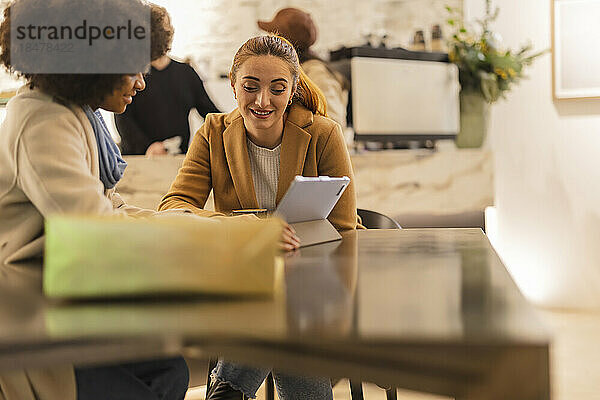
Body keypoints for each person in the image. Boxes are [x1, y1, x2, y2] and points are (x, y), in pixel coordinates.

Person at [0, 1, 189, 399]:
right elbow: (97, 232)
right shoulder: (42, 123)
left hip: (69, 305)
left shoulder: (73, 114)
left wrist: (217, 226)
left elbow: (112, 208)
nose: (141, 82)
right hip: (36, 325)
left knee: (170, 366)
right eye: (133, 68)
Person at [159, 34, 361, 399]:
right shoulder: (213, 134)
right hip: (246, 283)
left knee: (283, 304)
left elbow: (344, 229)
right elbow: (173, 207)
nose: (263, 101)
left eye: (277, 88)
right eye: (250, 87)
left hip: (313, 284)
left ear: (293, 89)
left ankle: (228, 390)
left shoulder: (322, 133)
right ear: (233, 85)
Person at [115, 6, 220, 156]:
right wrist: (148, 147)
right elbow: (122, 117)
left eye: (166, 26)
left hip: (178, 159)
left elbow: (210, 113)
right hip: (139, 160)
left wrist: (236, 125)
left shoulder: (186, 73)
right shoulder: (132, 74)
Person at [258, 7, 349, 129]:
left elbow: (333, 123)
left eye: (273, 38)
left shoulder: (316, 73)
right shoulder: (290, 72)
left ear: (286, 43)